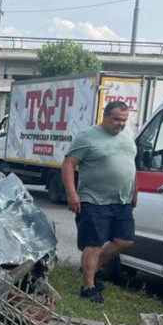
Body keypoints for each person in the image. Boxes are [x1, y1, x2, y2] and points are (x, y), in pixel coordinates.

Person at [60, 100, 136, 303]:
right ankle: (88, 287)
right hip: (94, 201)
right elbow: (68, 164)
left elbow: (131, 167)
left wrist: (134, 192)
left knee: (125, 240)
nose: (121, 124)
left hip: (121, 201)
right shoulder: (87, 137)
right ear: (106, 116)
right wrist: (72, 193)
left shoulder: (128, 138)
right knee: (93, 244)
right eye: (117, 119)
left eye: (124, 120)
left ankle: (90, 269)